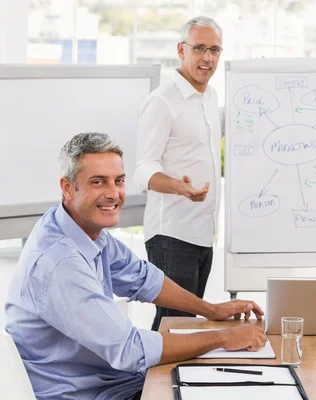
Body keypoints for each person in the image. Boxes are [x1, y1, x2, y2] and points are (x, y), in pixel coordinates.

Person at [4, 133, 267, 400]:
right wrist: (223, 338)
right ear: (68, 188)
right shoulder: (60, 263)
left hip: (114, 383)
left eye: (118, 181)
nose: (113, 193)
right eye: (98, 182)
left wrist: (211, 310)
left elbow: (143, 278)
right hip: (90, 395)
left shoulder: (81, 228)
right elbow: (130, 350)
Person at [134, 16, 225, 331]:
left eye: (214, 49)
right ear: (181, 50)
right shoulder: (162, 101)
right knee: (175, 325)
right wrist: (178, 187)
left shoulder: (210, 98)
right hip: (171, 234)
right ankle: (148, 381)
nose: (207, 57)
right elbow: (143, 169)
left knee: (186, 327)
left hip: (203, 234)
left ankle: (177, 381)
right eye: (199, 48)